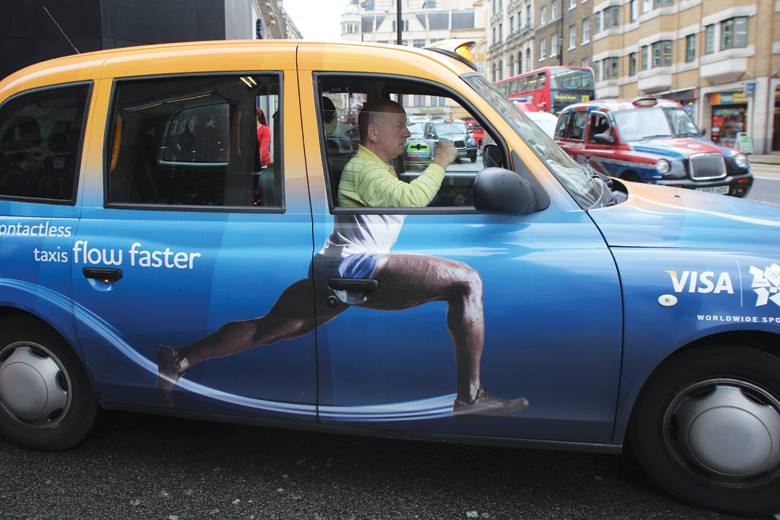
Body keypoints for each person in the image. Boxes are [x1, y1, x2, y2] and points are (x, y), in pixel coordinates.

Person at [157, 99, 529, 419]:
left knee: (269, 329)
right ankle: (470, 397)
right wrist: (441, 161)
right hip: (354, 266)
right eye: (399, 126)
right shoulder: (364, 167)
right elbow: (411, 199)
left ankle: (179, 359)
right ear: (373, 134)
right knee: (466, 280)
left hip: (333, 264)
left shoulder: (376, 167)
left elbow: (398, 198)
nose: (406, 132)